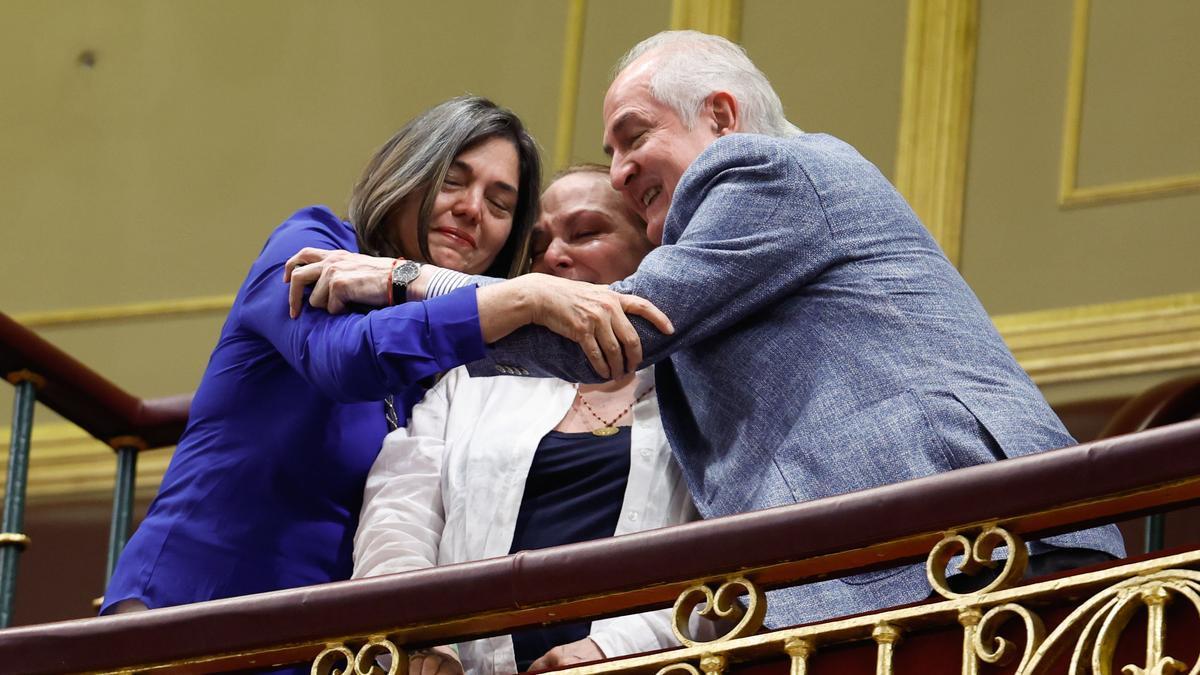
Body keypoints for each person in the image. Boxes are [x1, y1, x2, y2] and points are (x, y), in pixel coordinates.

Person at [295, 32, 1125, 629]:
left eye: (634, 136)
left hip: (986, 547)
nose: (620, 170)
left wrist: (405, 278)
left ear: (721, 117)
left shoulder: (764, 170)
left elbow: (604, 329)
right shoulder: (733, 245)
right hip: (913, 570)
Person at [102, 97, 670, 618]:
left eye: (500, 204)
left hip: (325, 643)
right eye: (451, 181)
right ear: (404, 177)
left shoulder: (469, 369)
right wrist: (523, 296)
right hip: (189, 607)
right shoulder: (314, 243)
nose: (472, 210)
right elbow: (344, 360)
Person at [353, 165, 697, 675]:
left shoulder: (702, 389)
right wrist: (418, 638)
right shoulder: (472, 381)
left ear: (653, 251)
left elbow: (737, 562)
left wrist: (619, 650)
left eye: (585, 233)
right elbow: (398, 515)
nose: (553, 258)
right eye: (537, 248)